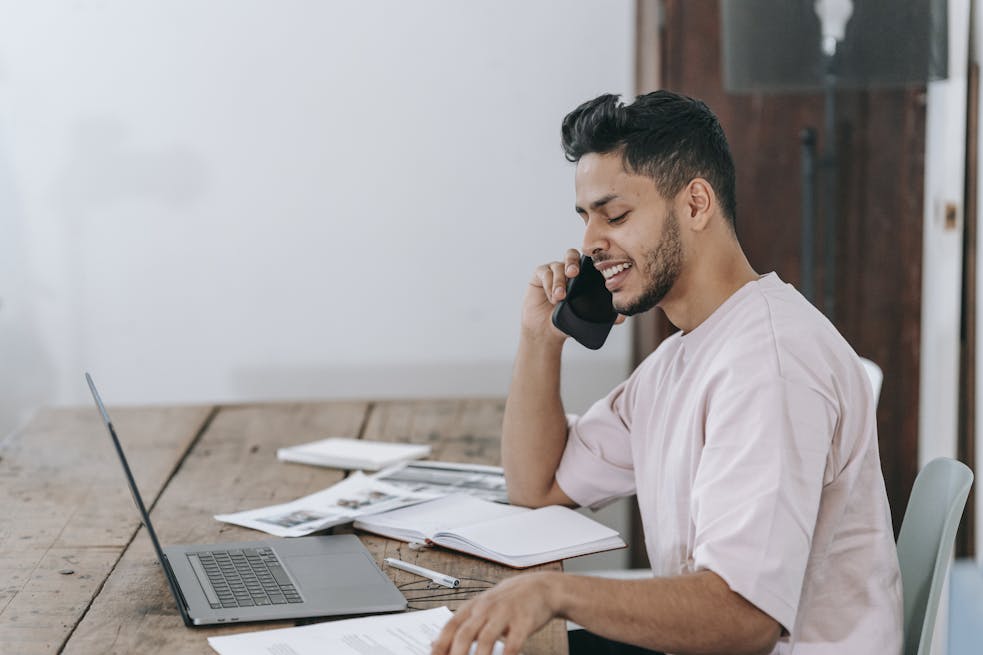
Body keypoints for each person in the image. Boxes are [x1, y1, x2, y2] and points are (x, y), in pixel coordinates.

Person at [430, 90, 902, 655]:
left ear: (696, 204)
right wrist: (540, 340)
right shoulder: (684, 357)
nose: (590, 245)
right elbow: (538, 488)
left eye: (616, 215)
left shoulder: (770, 366)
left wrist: (555, 593)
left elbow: (743, 617)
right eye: (586, 218)